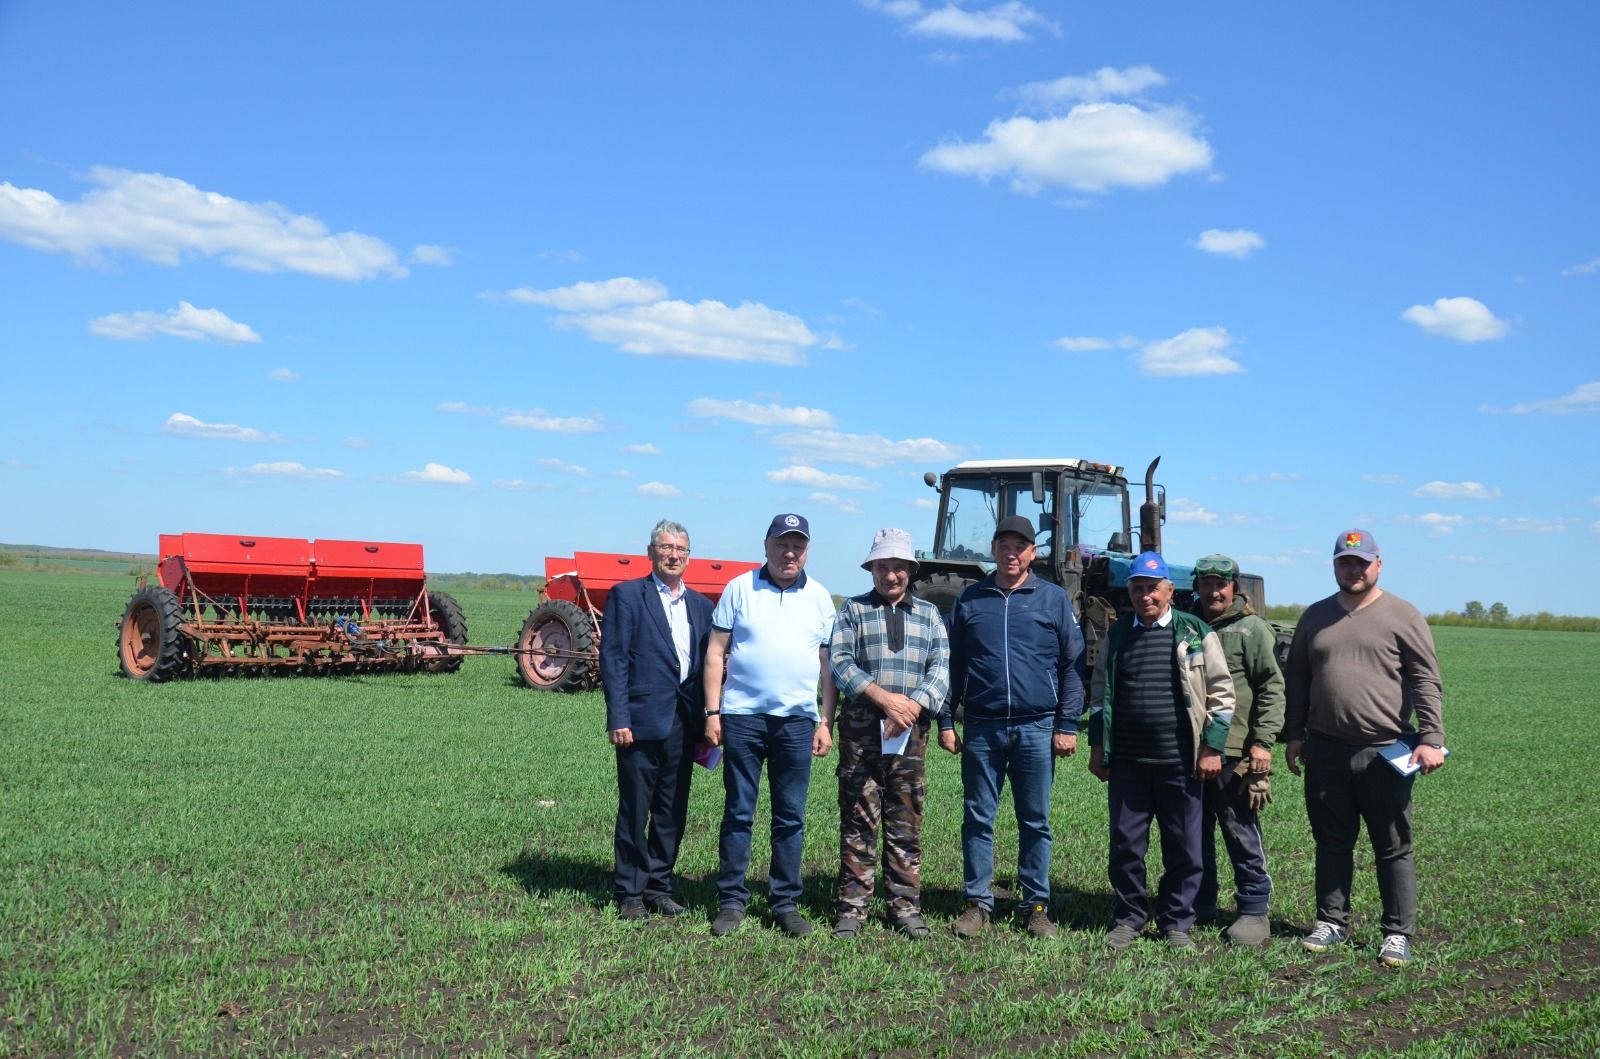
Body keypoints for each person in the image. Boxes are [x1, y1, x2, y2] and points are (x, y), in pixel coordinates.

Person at [1285, 529, 1445, 968]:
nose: (1353, 569)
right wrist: (1294, 734)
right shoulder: (1315, 617)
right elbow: (1297, 678)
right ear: (1334, 565)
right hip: (1326, 750)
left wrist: (1432, 737)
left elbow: (1425, 680)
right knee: (1331, 840)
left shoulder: (1402, 615)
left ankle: (1397, 933)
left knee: (1392, 845)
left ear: (1378, 564)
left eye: (1361, 561)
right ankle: (1332, 921)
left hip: (1385, 751)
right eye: (1345, 562)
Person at [937, 514, 1086, 939]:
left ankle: (1035, 905)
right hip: (982, 727)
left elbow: (1072, 666)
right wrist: (947, 720)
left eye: (1019, 546)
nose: (1011, 553)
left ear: (1032, 553)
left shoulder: (1053, 598)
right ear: (994, 549)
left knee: (1035, 820)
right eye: (1004, 544)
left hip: (1037, 726)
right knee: (977, 817)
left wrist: (1068, 723)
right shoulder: (970, 599)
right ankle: (977, 903)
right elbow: (953, 665)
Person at [1087, 551, 1232, 951]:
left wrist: (1211, 748)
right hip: (1129, 764)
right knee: (1126, 845)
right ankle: (1129, 917)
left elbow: (1221, 695)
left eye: (1153, 588)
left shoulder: (1195, 632)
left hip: (1181, 762)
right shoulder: (1117, 635)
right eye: (1137, 588)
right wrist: (1098, 745)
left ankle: (1176, 922)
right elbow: (1099, 695)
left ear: (1170, 590)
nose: (1145, 596)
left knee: (1184, 848)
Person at [703, 513, 837, 938]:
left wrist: (825, 721)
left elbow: (828, 666)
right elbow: (714, 653)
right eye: (782, 543)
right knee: (739, 812)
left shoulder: (819, 598)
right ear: (766, 546)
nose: (789, 552)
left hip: (797, 722)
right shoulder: (739, 588)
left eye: (797, 545)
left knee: (790, 817)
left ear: (808, 550)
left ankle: (785, 902)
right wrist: (712, 713)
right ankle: (730, 901)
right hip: (742, 719)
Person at [827, 528, 951, 939]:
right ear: (872, 569)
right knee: (858, 818)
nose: (891, 575)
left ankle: (905, 906)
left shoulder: (930, 615)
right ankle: (852, 908)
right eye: (883, 567)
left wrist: (911, 706)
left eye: (898, 567)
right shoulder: (853, 611)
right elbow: (841, 663)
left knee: (906, 819)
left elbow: (940, 668)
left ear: (911, 571)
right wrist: (885, 700)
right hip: (862, 730)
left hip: (911, 734)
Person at [600, 520, 716, 920]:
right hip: (639, 722)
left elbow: (707, 665)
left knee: (671, 810)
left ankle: (659, 887)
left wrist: (709, 718)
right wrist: (619, 716)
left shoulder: (701, 606)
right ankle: (629, 893)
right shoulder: (628, 596)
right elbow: (613, 659)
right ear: (650, 552)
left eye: (681, 550)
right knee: (635, 808)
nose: (673, 555)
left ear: (689, 557)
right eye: (666, 548)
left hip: (684, 723)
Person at [1188, 553, 1286, 947]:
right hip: (1192, 750)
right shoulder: (1187, 626)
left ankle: (1253, 910)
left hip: (1234, 750)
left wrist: (1262, 745)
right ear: (1196, 587)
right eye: (1207, 584)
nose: (1214, 591)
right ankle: (1199, 901)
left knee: (1240, 831)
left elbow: (1271, 687)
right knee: (1193, 833)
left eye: (1221, 584)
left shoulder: (1251, 629)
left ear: (1234, 588)